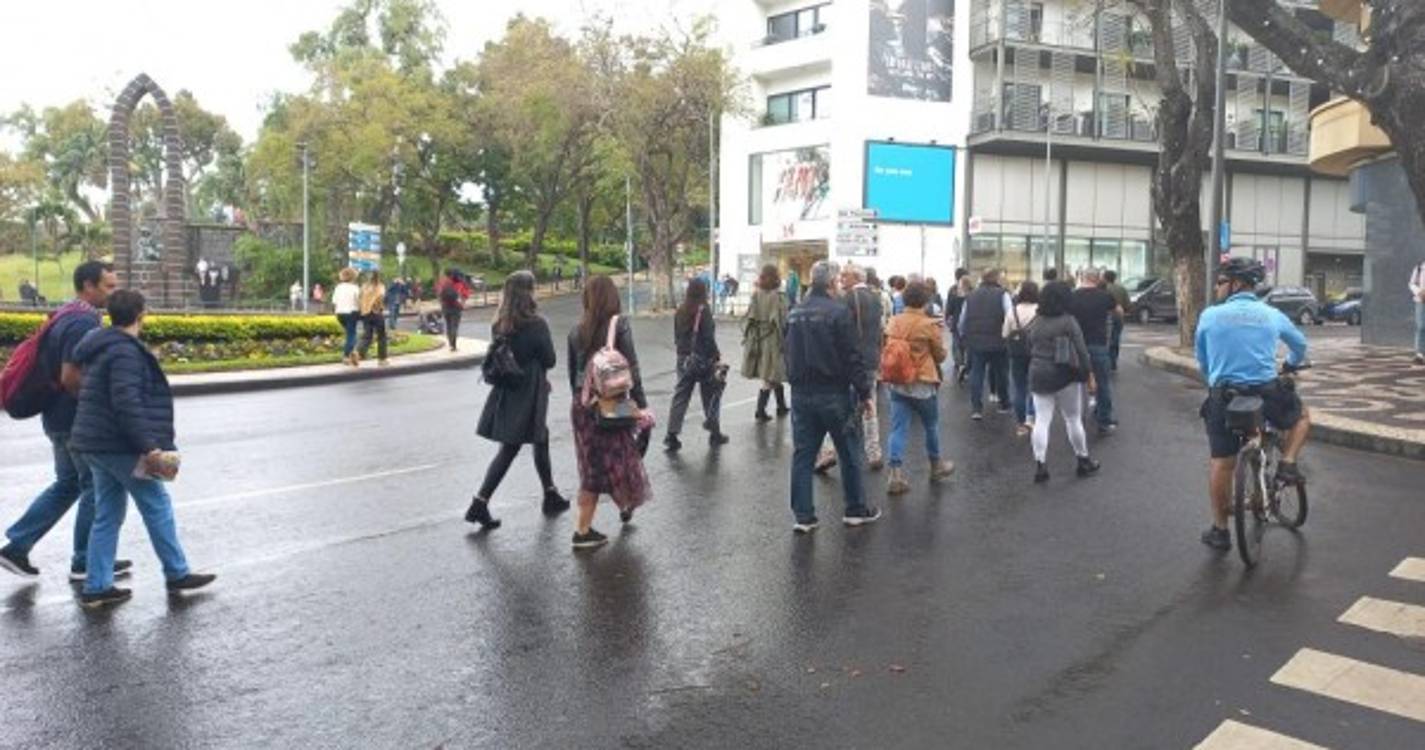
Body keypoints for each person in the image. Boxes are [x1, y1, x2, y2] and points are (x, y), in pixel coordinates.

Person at [69, 289, 215, 607]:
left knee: (107, 514)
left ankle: (97, 586)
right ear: (141, 315)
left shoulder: (100, 346)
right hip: (119, 445)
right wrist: (149, 446)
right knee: (156, 504)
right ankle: (177, 573)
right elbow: (127, 403)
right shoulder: (125, 351)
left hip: (94, 443)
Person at [0, 262, 121, 581]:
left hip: (56, 415)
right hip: (74, 420)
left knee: (69, 484)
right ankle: (86, 561)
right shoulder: (83, 322)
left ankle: (17, 546)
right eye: (108, 286)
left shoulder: (67, 313)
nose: (114, 292)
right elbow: (70, 377)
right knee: (93, 486)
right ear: (88, 286)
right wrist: (98, 408)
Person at [1195, 258, 1310, 551]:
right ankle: (1287, 463)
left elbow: (1203, 361)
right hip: (1266, 393)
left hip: (1224, 396)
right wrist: (1290, 364)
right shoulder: (1271, 314)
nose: (1216, 287)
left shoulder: (1209, 316)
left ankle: (1220, 530)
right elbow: (1300, 345)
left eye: (1220, 282)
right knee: (1302, 416)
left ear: (1236, 284)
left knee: (1221, 463)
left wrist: (1215, 377)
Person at [465, 271, 570, 529]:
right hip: (529, 390)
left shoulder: (500, 324)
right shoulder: (536, 324)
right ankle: (479, 503)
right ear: (528, 293)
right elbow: (550, 360)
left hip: (506, 389)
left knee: (539, 437)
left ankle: (550, 492)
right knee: (511, 447)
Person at [785, 260, 881, 533]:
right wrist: (864, 392)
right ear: (830, 283)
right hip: (833, 392)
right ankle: (855, 509)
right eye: (837, 280)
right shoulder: (838, 312)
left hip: (801, 392)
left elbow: (786, 349)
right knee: (849, 451)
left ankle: (803, 516)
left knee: (803, 454)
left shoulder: (794, 312)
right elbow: (851, 356)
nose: (839, 284)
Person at [567, 276, 651, 549]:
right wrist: (640, 405)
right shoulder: (619, 325)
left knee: (591, 468)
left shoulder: (576, 331)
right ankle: (622, 506)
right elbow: (632, 369)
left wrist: (583, 401)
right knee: (622, 459)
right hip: (614, 404)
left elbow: (573, 376)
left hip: (583, 406)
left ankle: (584, 528)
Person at [882, 281, 955, 495]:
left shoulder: (894, 321)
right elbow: (940, 356)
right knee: (930, 425)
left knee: (898, 428)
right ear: (925, 300)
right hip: (922, 382)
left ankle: (895, 474)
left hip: (897, 381)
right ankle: (936, 465)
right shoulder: (928, 325)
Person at [1027, 281, 1101, 483]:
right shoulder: (1068, 321)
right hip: (1065, 374)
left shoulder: (1037, 321)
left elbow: (1029, 345)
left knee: (1041, 420)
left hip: (1038, 373)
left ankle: (1040, 465)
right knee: (1073, 418)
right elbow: (1082, 351)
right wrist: (1089, 375)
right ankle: (1083, 460)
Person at [816, 264, 884, 472]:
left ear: (856, 277)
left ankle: (829, 451)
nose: (841, 279)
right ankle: (874, 452)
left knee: (838, 406)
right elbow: (880, 329)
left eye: (845, 275)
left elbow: (839, 330)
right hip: (871, 359)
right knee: (869, 405)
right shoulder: (877, 298)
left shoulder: (846, 299)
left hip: (849, 361)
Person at [664, 278, 729, 451]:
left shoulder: (681, 310)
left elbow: (677, 337)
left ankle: (671, 434)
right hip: (703, 359)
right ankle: (714, 432)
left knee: (681, 395)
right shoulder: (703, 310)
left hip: (684, 359)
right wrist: (716, 355)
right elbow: (708, 337)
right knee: (710, 395)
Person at [1068, 268, 1123, 434]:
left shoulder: (1072, 296)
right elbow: (1119, 312)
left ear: (1083, 278)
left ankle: (1075, 419)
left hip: (1076, 346)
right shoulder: (1105, 296)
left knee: (1075, 384)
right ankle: (1103, 420)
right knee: (1102, 383)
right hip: (1098, 344)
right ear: (1098, 279)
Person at [958, 269, 1013, 420]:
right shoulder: (1003, 294)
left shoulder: (971, 296)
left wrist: (963, 336)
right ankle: (1004, 403)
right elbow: (1009, 316)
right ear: (996, 278)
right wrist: (1008, 335)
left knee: (977, 373)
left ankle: (976, 408)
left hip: (976, 342)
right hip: (998, 340)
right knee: (1001, 373)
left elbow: (962, 320)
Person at [743, 264, 790, 421]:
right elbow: (783, 321)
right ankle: (760, 410)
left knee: (771, 373)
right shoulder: (779, 296)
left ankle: (781, 406)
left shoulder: (756, 295)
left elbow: (749, 318)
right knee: (771, 374)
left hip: (758, 338)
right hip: (773, 339)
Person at [1004, 280, 1041, 436]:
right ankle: (1031, 417)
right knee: (1034, 387)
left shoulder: (1013, 311)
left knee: (1019, 388)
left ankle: (1021, 423)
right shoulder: (1040, 310)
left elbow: (1005, 333)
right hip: (1036, 352)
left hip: (1017, 353)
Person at [947, 273, 975, 384]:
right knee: (968, 347)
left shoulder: (954, 295)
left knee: (957, 345)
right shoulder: (973, 295)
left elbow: (949, 310)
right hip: (970, 324)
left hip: (956, 323)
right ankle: (967, 366)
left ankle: (960, 364)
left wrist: (948, 319)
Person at [1103, 270, 1131, 371]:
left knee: (1105, 339)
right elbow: (1128, 305)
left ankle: (1105, 361)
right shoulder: (1122, 289)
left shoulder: (1103, 289)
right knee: (1115, 339)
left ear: (1105, 278)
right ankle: (1113, 362)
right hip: (1118, 317)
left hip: (1105, 317)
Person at [332, 268, 361, 366]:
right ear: (353, 277)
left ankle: (354, 354)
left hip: (339, 313)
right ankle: (346, 355)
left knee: (349, 334)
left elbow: (334, 302)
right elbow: (358, 301)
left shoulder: (338, 287)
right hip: (351, 312)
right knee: (351, 335)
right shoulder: (355, 288)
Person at [438, 270, 467, 352]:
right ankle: (453, 345)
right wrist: (462, 304)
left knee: (448, 325)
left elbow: (439, 294)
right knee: (454, 326)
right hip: (456, 307)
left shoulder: (443, 283)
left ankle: (450, 343)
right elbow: (465, 295)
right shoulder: (459, 283)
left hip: (445, 307)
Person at [1411, 258, 1425, 365]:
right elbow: (1412, 283)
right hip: (1421, 301)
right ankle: (1419, 354)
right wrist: (1419, 292)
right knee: (1421, 326)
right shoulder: (1419, 268)